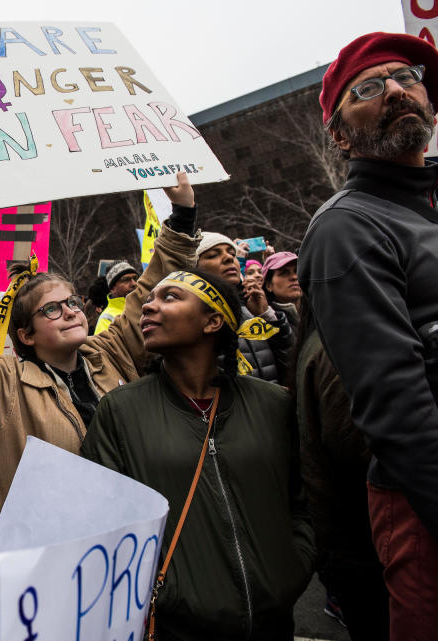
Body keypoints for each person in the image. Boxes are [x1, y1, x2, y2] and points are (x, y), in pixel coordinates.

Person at [0, 172, 200, 520]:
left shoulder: (110, 353)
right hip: (55, 561)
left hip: (139, 538)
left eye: (73, 303)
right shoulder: (0, 389)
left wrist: (182, 216)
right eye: (51, 309)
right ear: (26, 335)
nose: (69, 312)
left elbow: (149, 292)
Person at [81, 269, 315, 641]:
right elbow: (103, 525)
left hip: (275, 621)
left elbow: (306, 499)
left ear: (213, 321)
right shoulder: (120, 411)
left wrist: (293, 567)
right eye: (150, 298)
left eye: (170, 297)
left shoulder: (273, 404)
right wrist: (171, 591)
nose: (149, 307)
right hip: (178, 626)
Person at [298, 31, 438, 639]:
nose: (397, 91)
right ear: (339, 132)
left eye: (407, 76)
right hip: (422, 500)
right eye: (369, 88)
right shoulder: (346, 229)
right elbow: (397, 406)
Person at [292, 299, 388, 640]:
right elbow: (360, 450)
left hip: (351, 540)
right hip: (365, 539)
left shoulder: (327, 340)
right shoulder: (340, 350)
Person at [195, 233, 294, 383]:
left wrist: (267, 316)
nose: (229, 258)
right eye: (213, 255)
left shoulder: (252, 307)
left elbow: (292, 364)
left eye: (232, 253)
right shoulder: (193, 318)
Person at [93, 260, 139, 335]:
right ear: (112, 288)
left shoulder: (145, 307)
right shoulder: (106, 319)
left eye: (135, 278)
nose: (134, 283)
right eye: (126, 280)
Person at [262, 251, 301, 326]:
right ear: (268, 285)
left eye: (297, 271)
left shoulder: (319, 311)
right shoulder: (266, 321)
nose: (294, 277)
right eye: (284, 273)